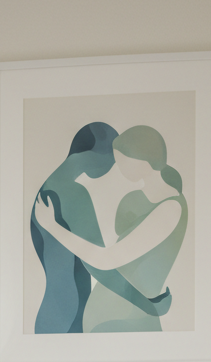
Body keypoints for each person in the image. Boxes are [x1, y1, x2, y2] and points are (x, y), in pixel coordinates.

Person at [34, 125, 188, 333]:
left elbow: (105, 260)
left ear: (143, 159)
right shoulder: (136, 200)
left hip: (129, 321)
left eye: (122, 159)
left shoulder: (171, 208)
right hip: (113, 317)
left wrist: (52, 226)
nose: (117, 164)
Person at [30, 121, 117, 334]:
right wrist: (146, 301)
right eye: (111, 155)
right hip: (71, 315)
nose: (114, 163)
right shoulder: (73, 193)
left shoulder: (46, 189)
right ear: (88, 154)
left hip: (53, 314)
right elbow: (100, 262)